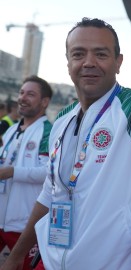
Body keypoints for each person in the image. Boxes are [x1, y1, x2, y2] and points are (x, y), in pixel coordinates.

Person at [2, 1, 131, 269]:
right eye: (78, 54)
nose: (89, 62)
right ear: (68, 63)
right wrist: (17, 256)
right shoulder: (63, 120)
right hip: (52, 260)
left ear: (118, 62)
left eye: (101, 54)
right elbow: (50, 192)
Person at [0, 75, 53, 270]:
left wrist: (12, 172)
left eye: (31, 94)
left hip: (24, 226)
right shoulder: (11, 130)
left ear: (44, 102)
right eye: (21, 93)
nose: (23, 98)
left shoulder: (49, 131)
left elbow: (49, 172)